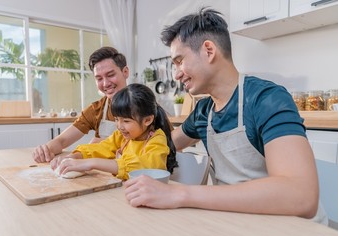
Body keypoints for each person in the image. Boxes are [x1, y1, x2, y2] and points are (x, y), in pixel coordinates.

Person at [124, 7, 327, 223]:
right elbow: (167, 144)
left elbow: (301, 196)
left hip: (294, 232)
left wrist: (178, 194)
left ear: (209, 51)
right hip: (241, 224)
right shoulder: (204, 111)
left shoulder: (265, 99)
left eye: (180, 61)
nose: (176, 74)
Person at [51, 83, 177, 180]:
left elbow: (144, 167)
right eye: (117, 119)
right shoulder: (122, 136)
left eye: (126, 121)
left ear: (147, 120)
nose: (119, 126)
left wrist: (91, 163)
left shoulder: (157, 140)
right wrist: (74, 156)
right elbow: (102, 148)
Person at [32, 46, 129, 163]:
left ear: (125, 72)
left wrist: (99, 144)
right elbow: (62, 140)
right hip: (102, 174)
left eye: (110, 75)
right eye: (99, 78)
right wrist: (45, 150)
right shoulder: (96, 110)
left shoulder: (145, 106)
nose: (105, 83)